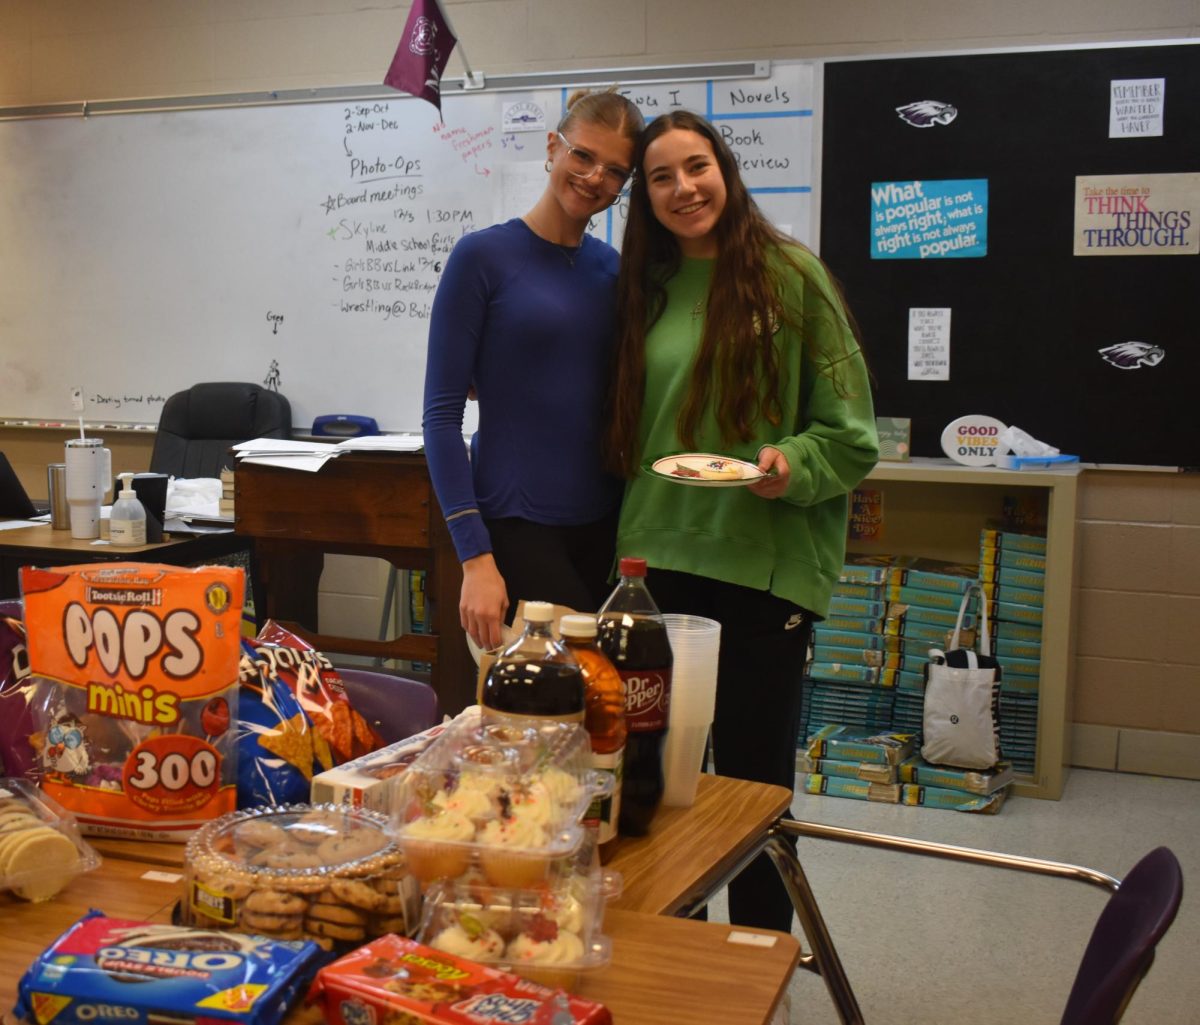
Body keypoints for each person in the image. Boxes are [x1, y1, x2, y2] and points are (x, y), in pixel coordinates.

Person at [605, 110, 879, 932]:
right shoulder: (641, 290)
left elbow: (851, 434)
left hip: (762, 570)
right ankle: (672, 967)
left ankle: (758, 972)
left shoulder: (793, 276)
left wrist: (790, 464)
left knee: (755, 798)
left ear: (724, 169)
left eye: (697, 167)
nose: (683, 188)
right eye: (661, 177)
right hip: (653, 566)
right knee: (648, 793)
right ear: (644, 197)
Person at [423, 90, 644, 652]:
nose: (596, 178)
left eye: (616, 171)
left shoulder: (613, 272)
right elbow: (441, 418)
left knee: (600, 718)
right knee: (551, 714)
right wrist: (475, 558)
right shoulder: (481, 258)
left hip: (603, 530)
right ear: (553, 147)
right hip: (516, 527)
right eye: (584, 156)